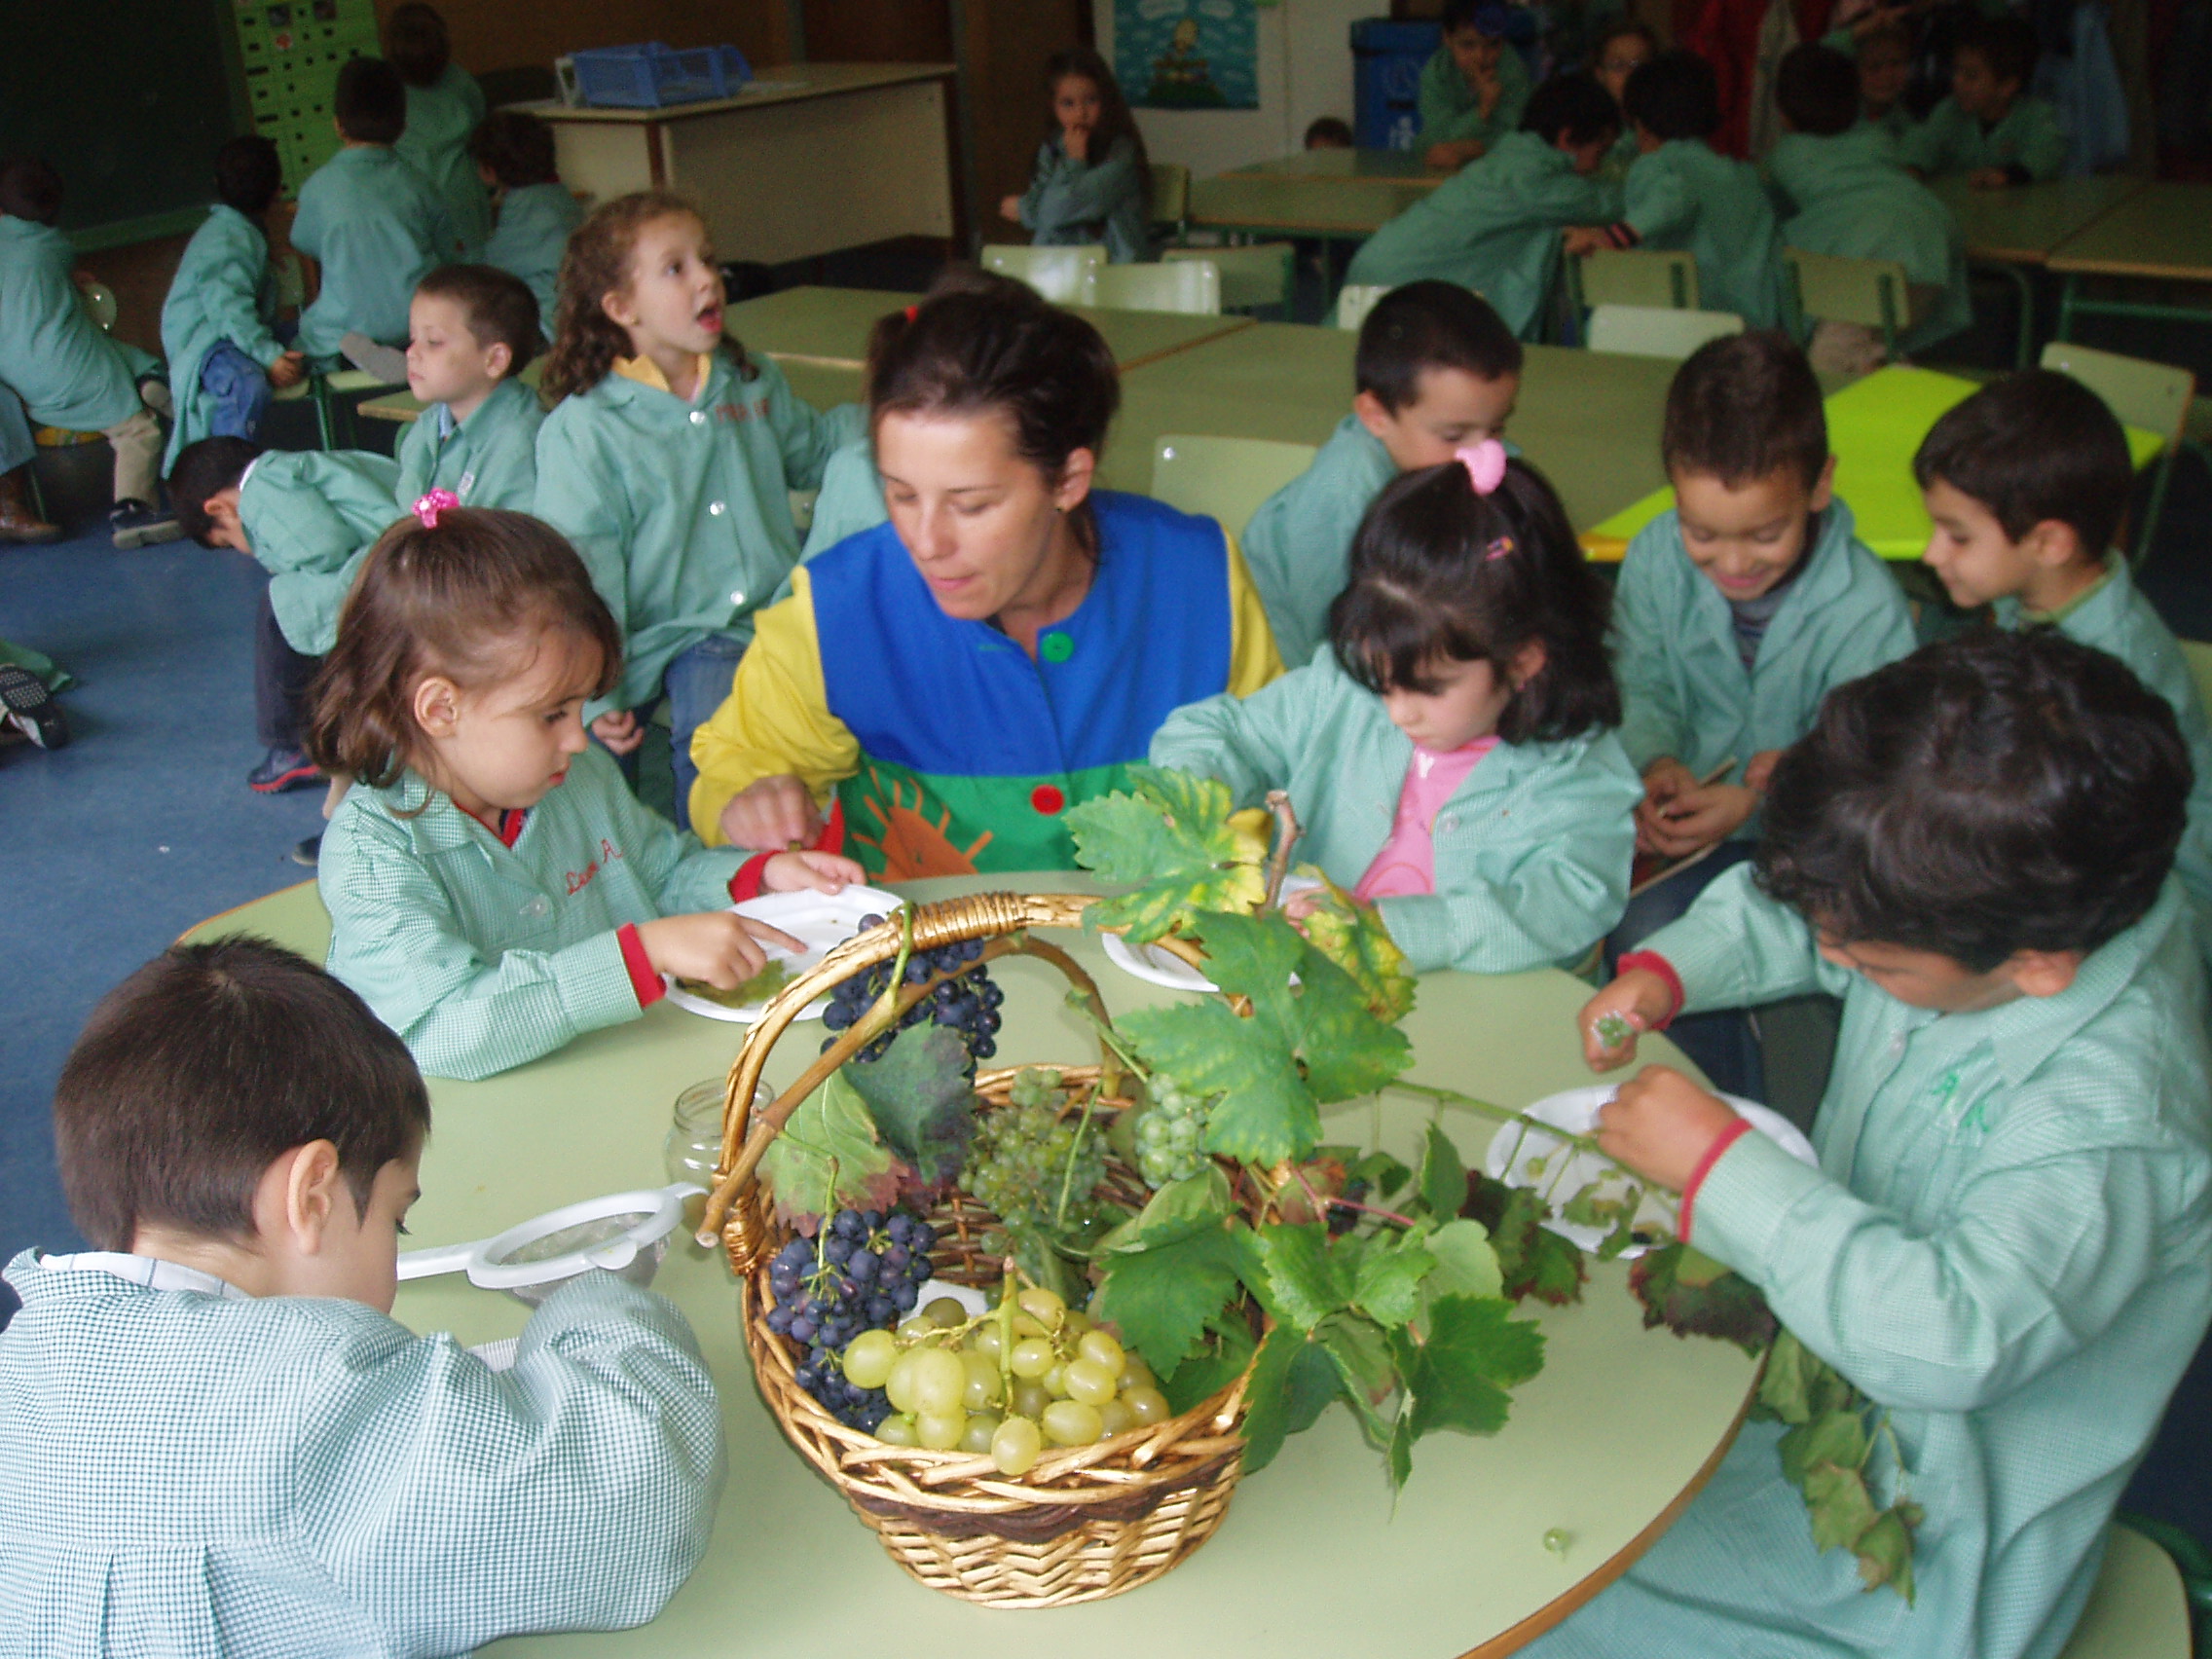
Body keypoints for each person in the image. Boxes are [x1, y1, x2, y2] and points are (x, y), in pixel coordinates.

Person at [1535, 630, 2212, 1659]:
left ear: (2036, 965)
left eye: (1874, 966)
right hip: (1813, 1378)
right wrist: (1672, 972)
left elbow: (1950, 1335)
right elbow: (1800, 918)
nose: (1840, 960)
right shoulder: (1970, 906)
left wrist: (1722, 1170)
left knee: (1536, 1587)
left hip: (1915, 1555)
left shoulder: (2115, 1124)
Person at [3, 936, 725, 1650]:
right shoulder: (315, 1404)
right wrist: (597, 1301)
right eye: (394, 1220)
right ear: (312, 1196)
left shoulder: (26, 1363)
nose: (393, 1251)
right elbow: (636, 1498)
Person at [688, 281, 1283, 878]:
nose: (926, 542)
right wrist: (750, 797)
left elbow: (1270, 767)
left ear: (1068, 480)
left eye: (971, 505)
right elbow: (738, 760)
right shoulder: (838, 609)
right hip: (917, 936)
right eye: (901, 494)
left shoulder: (1196, 577)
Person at [313, 503, 862, 1080]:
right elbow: (439, 1030)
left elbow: (659, 876)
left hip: (619, 1075)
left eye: (582, 706)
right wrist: (638, 957)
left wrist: (756, 878)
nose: (579, 738)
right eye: (552, 714)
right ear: (440, 709)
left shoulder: (577, 778)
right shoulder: (373, 855)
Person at [1154, 445, 1639, 974]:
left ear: (1522, 661)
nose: (1397, 713)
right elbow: (1221, 732)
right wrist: (1191, 791)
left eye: (1429, 689)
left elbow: (1557, 910)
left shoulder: (1578, 776)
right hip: (1312, 988)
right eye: (1380, 680)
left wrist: (1388, 928)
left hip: (1472, 1010)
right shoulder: (1341, 692)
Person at [1605, 332, 1917, 1096]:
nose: (1736, 563)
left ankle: (1724, 1111)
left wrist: (1757, 805)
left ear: (1820, 485)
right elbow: (1638, 682)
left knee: (1652, 935)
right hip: (1681, 828)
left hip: (1812, 847)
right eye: (1702, 533)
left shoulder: (1867, 608)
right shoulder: (1653, 556)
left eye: (1766, 534)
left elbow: (1873, 778)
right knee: (1578, 895)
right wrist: (1656, 763)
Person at [534, 191, 860, 815]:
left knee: (730, 761)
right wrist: (596, 691)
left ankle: (724, 850)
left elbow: (815, 451)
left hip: (754, 622)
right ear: (621, 307)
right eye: (675, 268)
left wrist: (902, 413)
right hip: (644, 637)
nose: (708, 278)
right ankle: (656, 859)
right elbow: (580, 570)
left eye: (707, 260)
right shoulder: (586, 429)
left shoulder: (751, 380)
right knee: (597, 771)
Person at [1916, 369, 2212, 950]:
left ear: (2050, 543)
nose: (1930, 553)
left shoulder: (2109, 675)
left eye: (1958, 536)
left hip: (2151, 892)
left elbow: (2088, 849)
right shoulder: (2035, 595)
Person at [1243, 281, 1523, 668]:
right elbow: (1333, 646)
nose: (1485, 453)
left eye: (1496, 429)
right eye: (1453, 435)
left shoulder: (1444, 456)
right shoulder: (1343, 497)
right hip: (1303, 669)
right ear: (1375, 416)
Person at [171, 434, 404, 796]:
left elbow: (326, 549)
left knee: (280, 605)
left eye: (228, 541)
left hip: (395, 567)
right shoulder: (306, 463)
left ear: (221, 509)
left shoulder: (261, 488)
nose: (242, 550)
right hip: (405, 550)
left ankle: (293, 743)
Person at [1345, 73, 1623, 341]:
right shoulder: (1536, 182)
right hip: (1396, 282)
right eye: (1600, 152)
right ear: (1567, 139)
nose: (1598, 166)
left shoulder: (1514, 156)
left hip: (1386, 264)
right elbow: (1611, 203)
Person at [0, 158, 179, 547]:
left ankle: (147, 379)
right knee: (137, 429)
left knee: (116, 353)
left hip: (13, 379)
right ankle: (132, 509)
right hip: (66, 367)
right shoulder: (56, 246)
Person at [1767, 43, 1971, 368]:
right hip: (1931, 244)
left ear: (1782, 114)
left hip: (1870, 255)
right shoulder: (1876, 139)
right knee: (1872, 345)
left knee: (1830, 363)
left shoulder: (1786, 156)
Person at [1566, 50, 1788, 331]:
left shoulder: (1658, 165)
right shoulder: (1743, 175)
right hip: (1758, 328)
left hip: (1691, 329)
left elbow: (1672, 200)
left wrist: (1611, 237)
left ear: (1641, 127)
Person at [289, 56, 459, 362]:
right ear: (402, 126)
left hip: (344, 329)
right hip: (416, 323)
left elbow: (304, 241)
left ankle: (362, 352)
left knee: (311, 334)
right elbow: (447, 252)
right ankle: (403, 352)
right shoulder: (420, 184)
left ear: (338, 125)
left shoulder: (318, 187)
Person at [160, 134, 306, 473]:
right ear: (277, 191)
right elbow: (229, 310)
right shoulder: (227, 237)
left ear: (218, 184)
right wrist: (269, 356)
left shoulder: (241, 230)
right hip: (207, 344)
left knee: (313, 332)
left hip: (235, 333)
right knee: (247, 385)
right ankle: (222, 476)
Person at [394, 264, 543, 511]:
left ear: (495, 360)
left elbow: (516, 534)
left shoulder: (521, 444)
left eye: (433, 342)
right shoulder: (427, 426)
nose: (411, 353)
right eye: (412, 339)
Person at [997, 47, 1152, 265]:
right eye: (1068, 103)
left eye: (1091, 100)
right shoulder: (1052, 147)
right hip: (1061, 264)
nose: (1080, 113)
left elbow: (1056, 212)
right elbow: (1043, 199)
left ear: (1106, 100)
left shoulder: (1121, 152)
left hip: (1113, 268)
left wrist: (1074, 162)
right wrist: (1035, 207)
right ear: (1053, 106)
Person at [1899, 14, 2068, 187]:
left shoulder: (2036, 116)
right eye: (1956, 71)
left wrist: (2011, 175)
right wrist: (1913, 168)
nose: (1957, 81)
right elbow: (1923, 143)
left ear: (2007, 86)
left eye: (1970, 76)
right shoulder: (1949, 112)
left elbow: (2049, 151)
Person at [385, 2, 492, 258]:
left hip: (409, 199)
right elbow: (483, 136)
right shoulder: (461, 82)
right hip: (462, 194)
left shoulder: (386, 89)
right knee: (472, 270)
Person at [470, 108, 583, 332]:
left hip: (549, 326)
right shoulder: (557, 195)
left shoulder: (525, 208)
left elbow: (489, 266)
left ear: (489, 169)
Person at [1417, 0, 1535, 170]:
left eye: (1492, 44)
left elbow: (1518, 136)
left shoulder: (1512, 71)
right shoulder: (1437, 73)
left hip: (1502, 167)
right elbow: (1437, 136)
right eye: (1468, 45)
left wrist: (1471, 148)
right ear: (1447, 38)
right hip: (1445, 161)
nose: (1480, 56)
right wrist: (1481, 112)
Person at [1589, 18, 1658, 181]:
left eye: (1638, 65)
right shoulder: (1587, 133)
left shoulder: (1669, 133)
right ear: (1600, 75)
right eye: (1618, 65)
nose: (1630, 74)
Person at [1854, 18, 1919, 141]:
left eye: (1895, 64)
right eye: (1874, 67)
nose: (1886, 75)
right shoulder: (1838, 118)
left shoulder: (1911, 130)